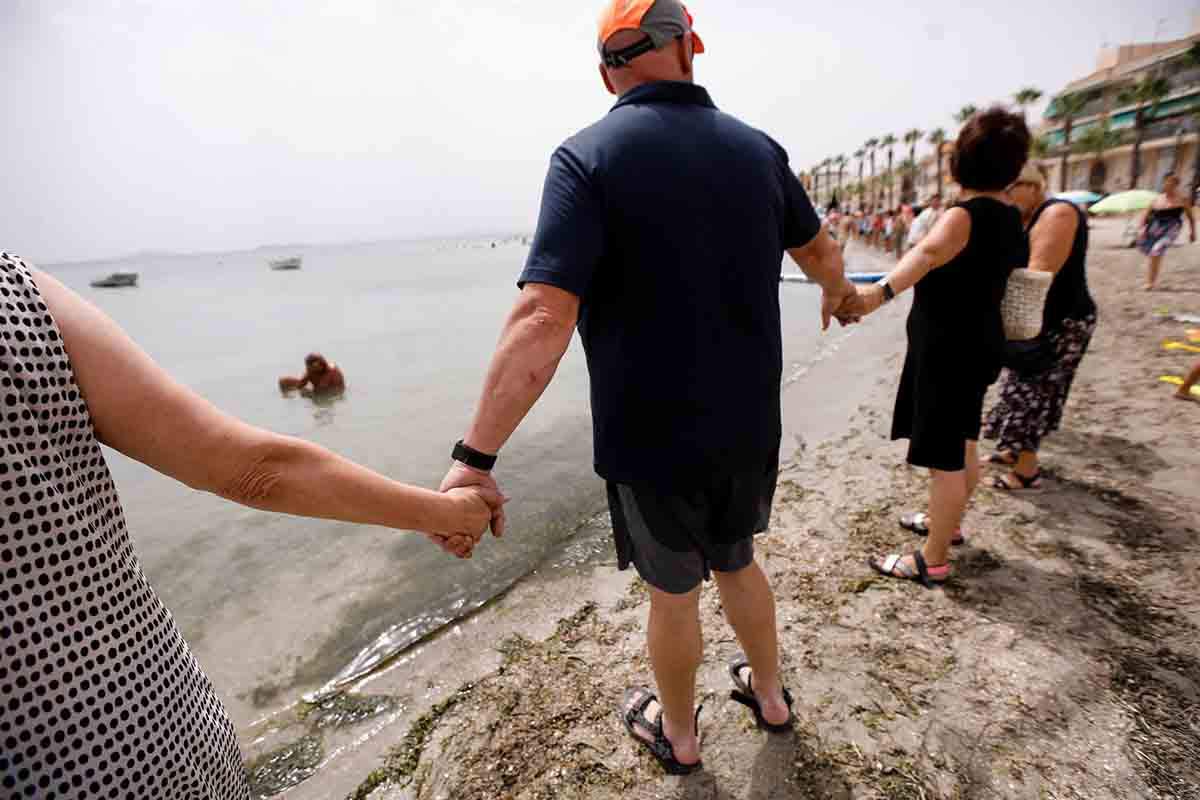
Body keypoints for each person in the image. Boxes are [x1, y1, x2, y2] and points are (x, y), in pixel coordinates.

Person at [437, 0, 857, 774]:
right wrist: (837, 293)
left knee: (673, 595)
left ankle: (682, 737)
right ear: (691, 48)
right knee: (738, 562)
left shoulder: (586, 158)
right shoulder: (759, 151)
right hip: (746, 425)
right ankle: (769, 697)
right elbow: (821, 252)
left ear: (608, 73)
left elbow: (541, 317)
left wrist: (476, 456)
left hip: (650, 439)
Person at [0, 252, 502, 797]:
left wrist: (446, 512)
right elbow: (246, 468)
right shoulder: (17, 297)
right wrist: (446, 512)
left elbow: (256, 472)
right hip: (160, 725)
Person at [851, 108, 1030, 587]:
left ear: (961, 163)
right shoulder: (1011, 218)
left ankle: (931, 560)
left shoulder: (963, 216)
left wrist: (875, 294)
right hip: (980, 345)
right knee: (965, 441)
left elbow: (927, 255)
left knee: (944, 459)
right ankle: (947, 526)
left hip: (949, 349)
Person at [982, 163, 1098, 489]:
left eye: (1010, 189)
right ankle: (1010, 451)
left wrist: (1006, 332)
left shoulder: (1057, 213)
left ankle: (1026, 472)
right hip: (1036, 320)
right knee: (1014, 390)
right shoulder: (1026, 218)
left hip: (1062, 322)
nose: (1004, 197)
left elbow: (1035, 276)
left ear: (1032, 185)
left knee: (1034, 394)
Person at [1137, 172, 1196, 290]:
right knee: (1153, 254)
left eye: (1173, 182)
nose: (1170, 184)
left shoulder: (1182, 199)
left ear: (1177, 184)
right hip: (1155, 227)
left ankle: (1150, 283)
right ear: (1164, 182)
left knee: (1157, 250)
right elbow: (1145, 214)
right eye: (1168, 181)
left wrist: (1193, 232)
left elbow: (1190, 217)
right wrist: (1141, 229)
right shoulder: (1156, 199)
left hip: (1172, 228)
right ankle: (1151, 280)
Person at [279, 352, 345, 394]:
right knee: (283, 381)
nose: (309, 370)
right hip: (317, 390)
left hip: (331, 392)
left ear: (321, 365)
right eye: (309, 367)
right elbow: (301, 384)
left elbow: (320, 390)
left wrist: (306, 394)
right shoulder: (311, 370)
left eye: (314, 367)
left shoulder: (331, 371)